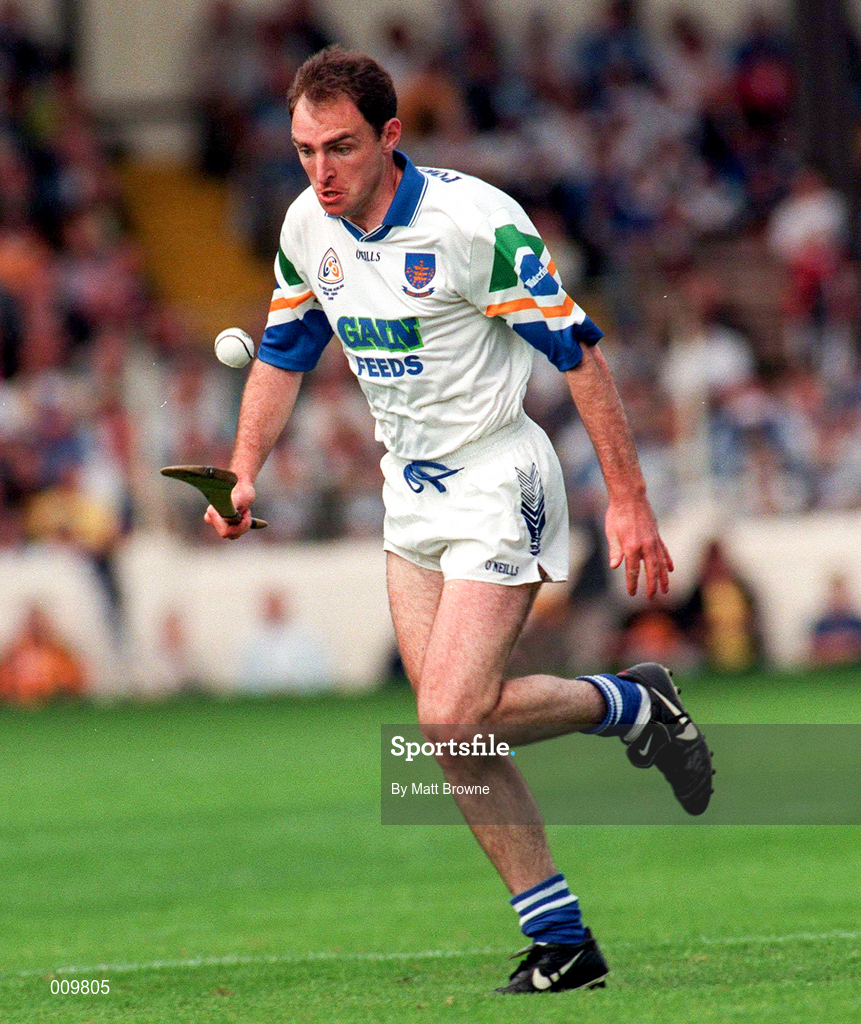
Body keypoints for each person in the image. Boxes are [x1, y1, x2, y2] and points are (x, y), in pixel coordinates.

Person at [205, 46, 713, 995]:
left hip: (497, 475)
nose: (320, 170)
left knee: (449, 716)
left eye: (341, 148)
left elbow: (580, 356)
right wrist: (241, 470)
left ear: (390, 137)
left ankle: (630, 706)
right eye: (305, 149)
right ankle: (563, 935)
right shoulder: (305, 227)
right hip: (410, 494)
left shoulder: (473, 223)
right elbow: (283, 348)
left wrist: (631, 503)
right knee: (454, 736)